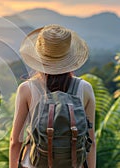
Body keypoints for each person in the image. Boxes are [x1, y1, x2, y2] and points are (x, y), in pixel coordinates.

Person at [9, 24, 96, 168]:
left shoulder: (26, 89)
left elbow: (16, 141)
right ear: (70, 57)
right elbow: (90, 140)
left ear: (39, 57)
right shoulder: (85, 89)